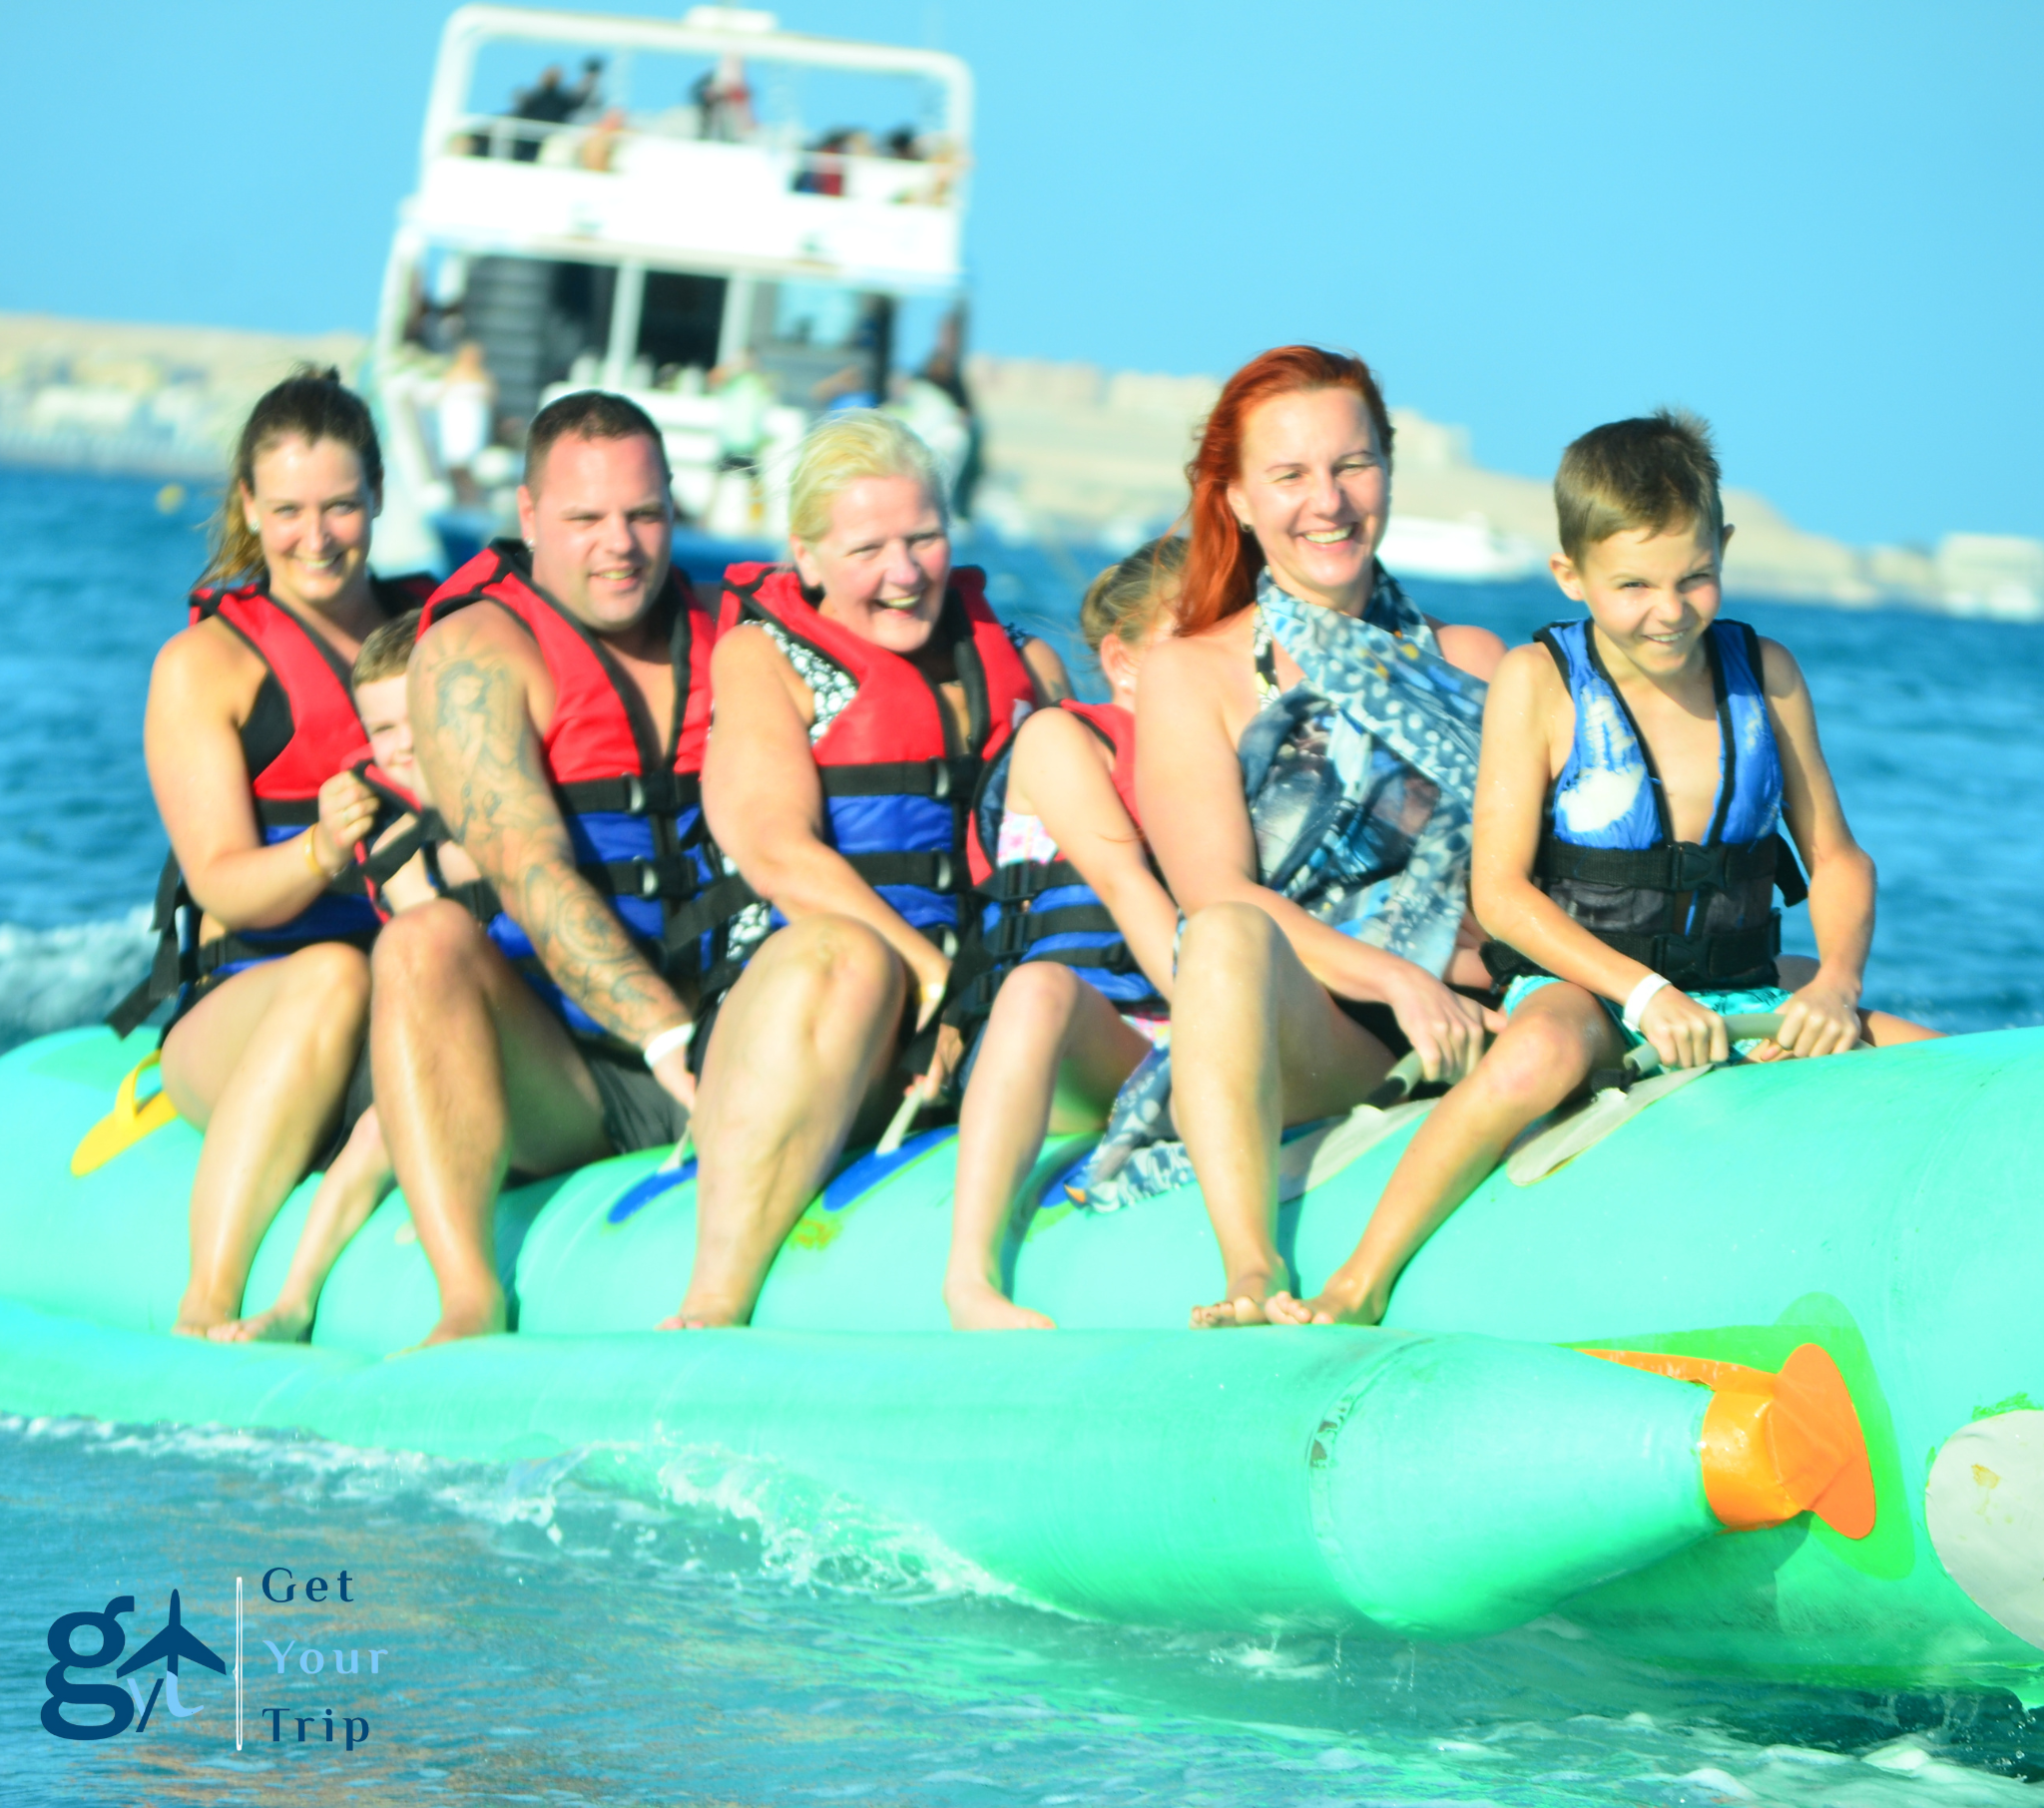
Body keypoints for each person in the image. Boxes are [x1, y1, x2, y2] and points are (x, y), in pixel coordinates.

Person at [1280, 411, 1941, 1326]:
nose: (1669, 612)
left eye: (1695, 578)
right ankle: (1361, 1280)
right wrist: (1641, 997)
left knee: (1937, 1060)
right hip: (1587, 989)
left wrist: (1835, 982)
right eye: (1632, 584)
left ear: (1724, 550)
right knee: (1538, 1055)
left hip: (1736, 990)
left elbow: (1836, 857)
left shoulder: (1768, 674)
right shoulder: (1539, 682)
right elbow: (1500, 894)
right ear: (1571, 575)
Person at [1125, 345, 1507, 1327]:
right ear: (1238, 500)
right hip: (1303, 1027)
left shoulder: (1472, 660)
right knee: (1217, 933)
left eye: (1350, 466)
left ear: (1386, 468)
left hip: (1470, 1021)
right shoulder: (1190, 674)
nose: (1327, 503)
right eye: (1288, 476)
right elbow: (1214, 892)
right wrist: (1393, 978)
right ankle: (1251, 1269)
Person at [672, 410, 1069, 1329]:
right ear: (804, 557)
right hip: (803, 1015)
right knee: (843, 957)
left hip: (979, 1028)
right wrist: (927, 972)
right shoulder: (763, 660)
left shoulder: (1023, 667)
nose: (905, 573)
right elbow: (770, 844)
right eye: (868, 549)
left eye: (925, 537)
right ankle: (712, 1303)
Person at [371, 390, 723, 1343]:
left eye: (645, 514)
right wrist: (664, 1037)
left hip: (743, 1042)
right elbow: (528, 870)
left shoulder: (736, 636)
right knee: (421, 943)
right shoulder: (475, 653)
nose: (623, 544)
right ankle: (467, 1295)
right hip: (567, 1076)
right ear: (528, 518)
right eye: (586, 519)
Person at [126, 368, 425, 1336]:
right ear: (249, 508)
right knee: (335, 972)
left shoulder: (442, 637)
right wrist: (321, 852)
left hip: (409, 996)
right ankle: (204, 1303)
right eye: (288, 509)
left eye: (341, 506)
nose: (317, 535)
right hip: (242, 1008)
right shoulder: (205, 667)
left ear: (378, 496)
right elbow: (222, 882)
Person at [209, 611, 485, 1343]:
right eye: (383, 733)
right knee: (379, 1128)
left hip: (524, 1039)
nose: (404, 750)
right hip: (462, 1034)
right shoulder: (392, 839)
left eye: (418, 722)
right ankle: (293, 1300)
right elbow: (432, 944)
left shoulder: (515, 803)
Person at [943, 540, 1184, 1330]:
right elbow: (1125, 886)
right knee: (1039, 988)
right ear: (1124, 660)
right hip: (1069, 1050)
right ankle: (971, 1280)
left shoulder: (1239, 768)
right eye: (1196, 643)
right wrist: (1223, 1023)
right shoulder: (1062, 741)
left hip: (1175, 1053)